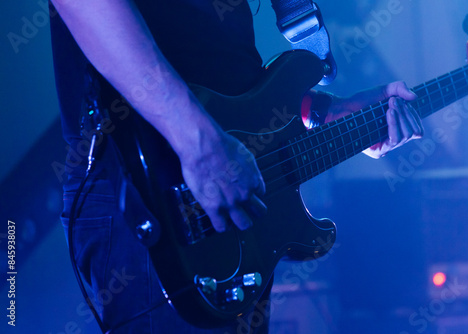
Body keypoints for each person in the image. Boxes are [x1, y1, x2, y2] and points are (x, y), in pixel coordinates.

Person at [49, 0, 423, 333]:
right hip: (149, 180)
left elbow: (217, 64)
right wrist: (198, 142)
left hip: (228, 187)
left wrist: (319, 111)